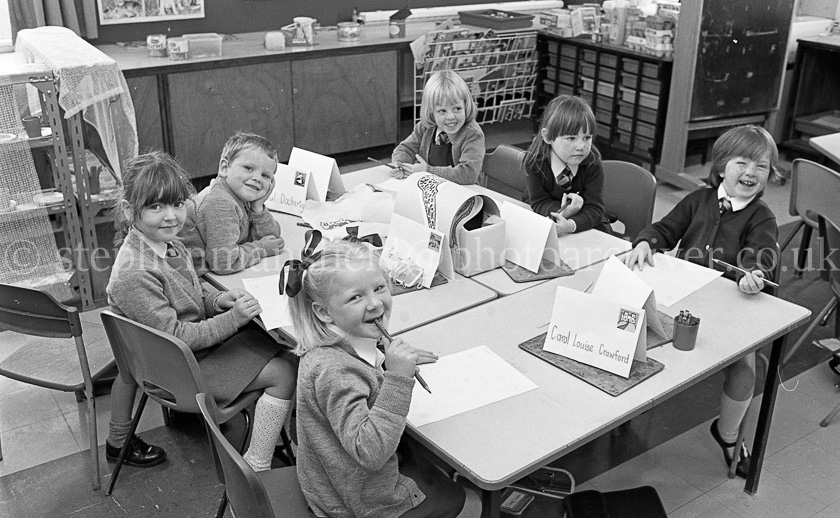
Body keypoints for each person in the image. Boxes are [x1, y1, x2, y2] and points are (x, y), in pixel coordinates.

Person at [107, 151, 296, 472]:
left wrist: (217, 301)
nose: (171, 217)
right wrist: (232, 319)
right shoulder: (134, 273)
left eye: (178, 204)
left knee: (281, 344)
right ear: (129, 210)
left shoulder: (168, 244)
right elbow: (178, 336)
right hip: (178, 370)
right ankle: (256, 465)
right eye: (156, 207)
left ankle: (277, 430)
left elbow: (189, 294)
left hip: (182, 355)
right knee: (285, 371)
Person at [624, 125, 780, 478]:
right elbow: (665, 229)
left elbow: (761, 256)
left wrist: (752, 274)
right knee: (637, 333)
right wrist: (647, 241)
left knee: (744, 368)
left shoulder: (762, 216)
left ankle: (728, 435)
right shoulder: (699, 199)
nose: (752, 172)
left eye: (761, 166)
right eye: (742, 162)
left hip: (730, 312)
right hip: (682, 301)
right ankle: (625, 411)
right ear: (722, 166)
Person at [287, 238, 482, 517]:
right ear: (324, 312)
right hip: (358, 500)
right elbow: (370, 452)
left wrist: (384, 355)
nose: (375, 303)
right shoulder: (335, 371)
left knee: (436, 461)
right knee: (474, 502)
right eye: (356, 297)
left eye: (379, 288)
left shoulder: (343, 343)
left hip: (337, 479)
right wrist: (398, 379)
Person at [179, 131, 284, 276]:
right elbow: (224, 263)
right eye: (249, 168)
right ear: (224, 168)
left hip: (210, 275)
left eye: (265, 175)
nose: (257, 178)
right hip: (197, 278)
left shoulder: (240, 195)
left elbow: (273, 239)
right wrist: (261, 248)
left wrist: (258, 208)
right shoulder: (220, 203)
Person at [524, 95, 610, 235]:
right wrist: (564, 212)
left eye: (587, 137)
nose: (581, 146)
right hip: (548, 223)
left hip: (587, 228)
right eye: (571, 138)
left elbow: (595, 209)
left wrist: (570, 225)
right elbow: (539, 202)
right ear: (547, 137)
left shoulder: (592, 162)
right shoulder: (534, 162)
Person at [392, 70, 485, 185]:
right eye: (442, 111)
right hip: (432, 187)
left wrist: (428, 171)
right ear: (431, 112)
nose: (451, 117)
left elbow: (468, 174)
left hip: (464, 191)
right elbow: (405, 149)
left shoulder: (473, 134)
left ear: (466, 106)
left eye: (457, 109)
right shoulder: (426, 127)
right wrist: (400, 164)